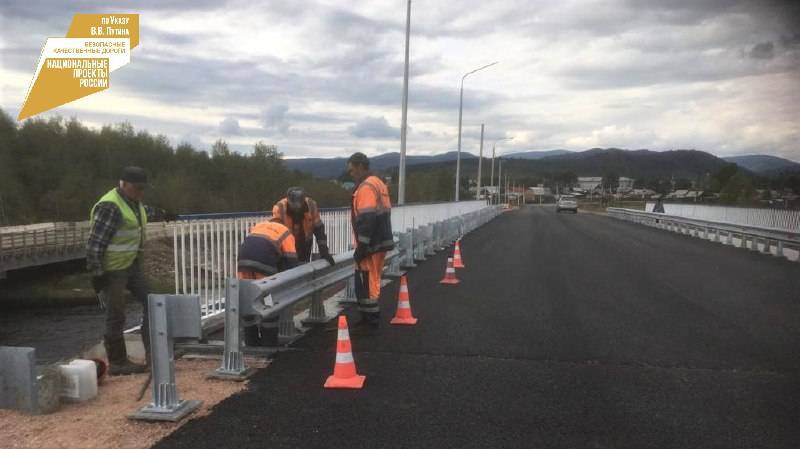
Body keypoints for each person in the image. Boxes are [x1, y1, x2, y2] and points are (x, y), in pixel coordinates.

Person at [87, 166, 151, 375]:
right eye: (137, 188)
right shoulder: (110, 206)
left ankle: (153, 350)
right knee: (116, 315)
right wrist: (98, 275)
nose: (140, 192)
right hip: (113, 269)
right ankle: (118, 362)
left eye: (143, 188)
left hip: (130, 264)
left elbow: (140, 219)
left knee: (154, 302)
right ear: (123, 184)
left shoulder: (134, 203)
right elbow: (95, 244)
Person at [346, 152, 394, 326]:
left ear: (360, 166)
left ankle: (370, 318)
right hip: (380, 240)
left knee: (366, 281)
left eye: (352, 170)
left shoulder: (366, 187)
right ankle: (370, 315)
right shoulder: (379, 183)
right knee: (372, 279)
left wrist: (362, 246)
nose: (351, 174)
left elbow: (367, 218)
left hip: (370, 243)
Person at [237, 216, 299, 346]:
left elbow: (252, 244)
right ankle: (268, 341)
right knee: (267, 298)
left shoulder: (259, 226)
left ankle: (251, 341)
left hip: (243, 259)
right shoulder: (286, 232)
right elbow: (291, 260)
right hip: (264, 261)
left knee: (248, 297)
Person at [272, 187, 335, 265]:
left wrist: (324, 251)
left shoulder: (311, 205)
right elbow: (275, 233)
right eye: (294, 208)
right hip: (286, 246)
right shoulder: (280, 208)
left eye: (299, 208)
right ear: (288, 200)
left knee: (304, 266)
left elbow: (319, 230)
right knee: (288, 267)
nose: (297, 210)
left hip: (305, 244)